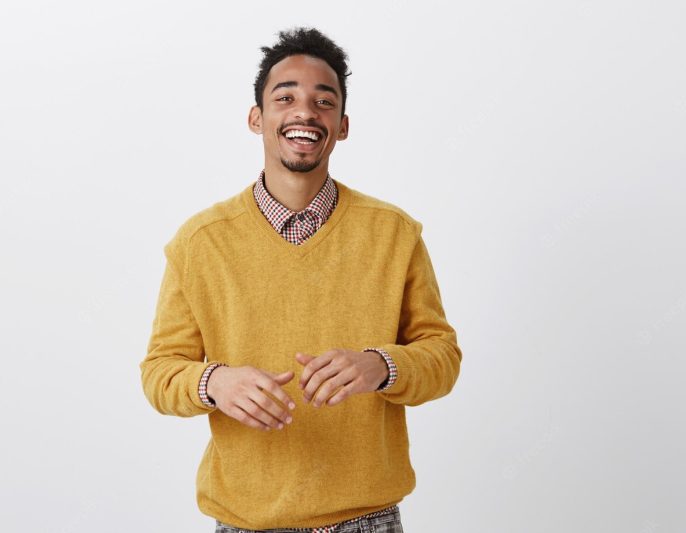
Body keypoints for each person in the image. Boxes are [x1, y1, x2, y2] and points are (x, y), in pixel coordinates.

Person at [139, 26, 462, 533]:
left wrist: (381, 364)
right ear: (257, 118)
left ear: (343, 124)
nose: (304, 112)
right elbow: (159, 373)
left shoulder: (394, 233)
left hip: (368, 521)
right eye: (285, 96)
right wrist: (214, 381)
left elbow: (442, 357)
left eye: (323, 101)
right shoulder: (200, 242)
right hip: (245, 522)